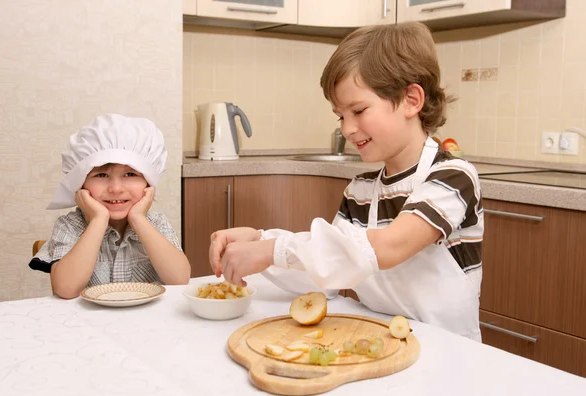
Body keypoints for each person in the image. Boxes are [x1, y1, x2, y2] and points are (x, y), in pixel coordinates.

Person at [208, 22, 483, 341]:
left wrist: (273, 249)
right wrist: (259, 239)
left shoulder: (452, 177)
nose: (347, 128)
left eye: (358, 110)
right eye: (341, 115)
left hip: (446, 353)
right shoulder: (361, 190)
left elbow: (389, 246)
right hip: (378, 343)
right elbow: (330, 272)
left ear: (411, 100)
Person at [30, 114, 191, 299]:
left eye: (130, 174)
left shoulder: (156, 223)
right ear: (81, 184)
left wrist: (138, 219)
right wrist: (98, 219)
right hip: (87, 324)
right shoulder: (70, 226)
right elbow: (66, 289)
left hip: (146, 323)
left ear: (148, 184)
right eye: (101, 175)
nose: (115, 188)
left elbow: (179, 279)